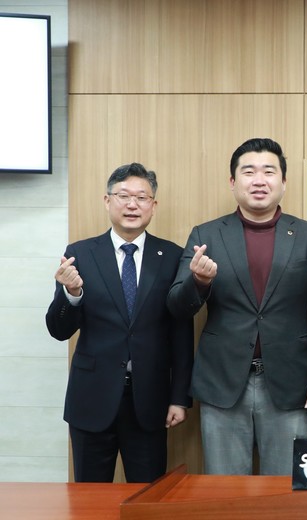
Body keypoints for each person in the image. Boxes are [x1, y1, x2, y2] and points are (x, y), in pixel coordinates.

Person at [166, 137, 307, 476]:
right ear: (233, 182)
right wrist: (199, 282)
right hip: (222, 382)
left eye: (269, 171)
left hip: (292, 383)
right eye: (248, 172)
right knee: (224, 491)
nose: (259, 180)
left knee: (285, 489)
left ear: (283, 182)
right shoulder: (207, 235)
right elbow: (177, 306)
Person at [45, 163, 193, 483]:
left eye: (141, 197)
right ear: (107, 200)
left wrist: (179, 397)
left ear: (153, 205)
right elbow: (58, 330)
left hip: (149, 400)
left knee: (147, 497)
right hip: (92, 398)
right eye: (123, 196)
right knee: (88, 499)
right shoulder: (80, 254)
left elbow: (181, 333)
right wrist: (72, 294)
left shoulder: (172, 257)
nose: (132, 204)